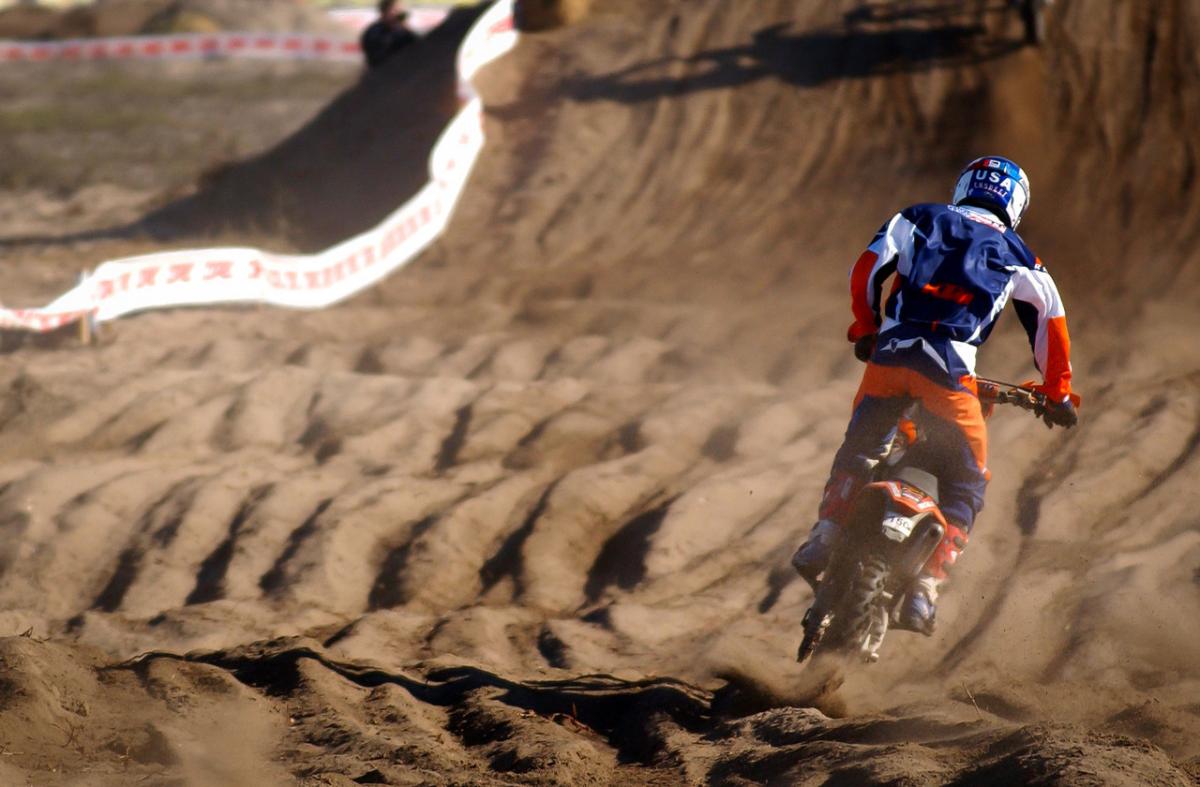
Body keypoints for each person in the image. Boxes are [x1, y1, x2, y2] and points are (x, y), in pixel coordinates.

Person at [791, 156, 1078, 634]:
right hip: (949, 372)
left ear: (964, 185)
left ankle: (824, 534)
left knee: (859, 450)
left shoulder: (919, 216)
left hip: (890, 356)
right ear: (1017, 204)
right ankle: (926, 586)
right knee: (970, 481)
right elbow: (1051, 322)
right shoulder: (1019, 253)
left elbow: (866, 267)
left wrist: (865, 325)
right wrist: (1058, 393)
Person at [361, 0, 417, 69]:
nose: (399, 13)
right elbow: (378, 57)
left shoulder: (402, 30)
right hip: (383, 74)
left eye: (400, 10)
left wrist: (406, 28)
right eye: (395, 10)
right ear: (385, 12)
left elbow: (417, 46)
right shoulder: (374, 32)